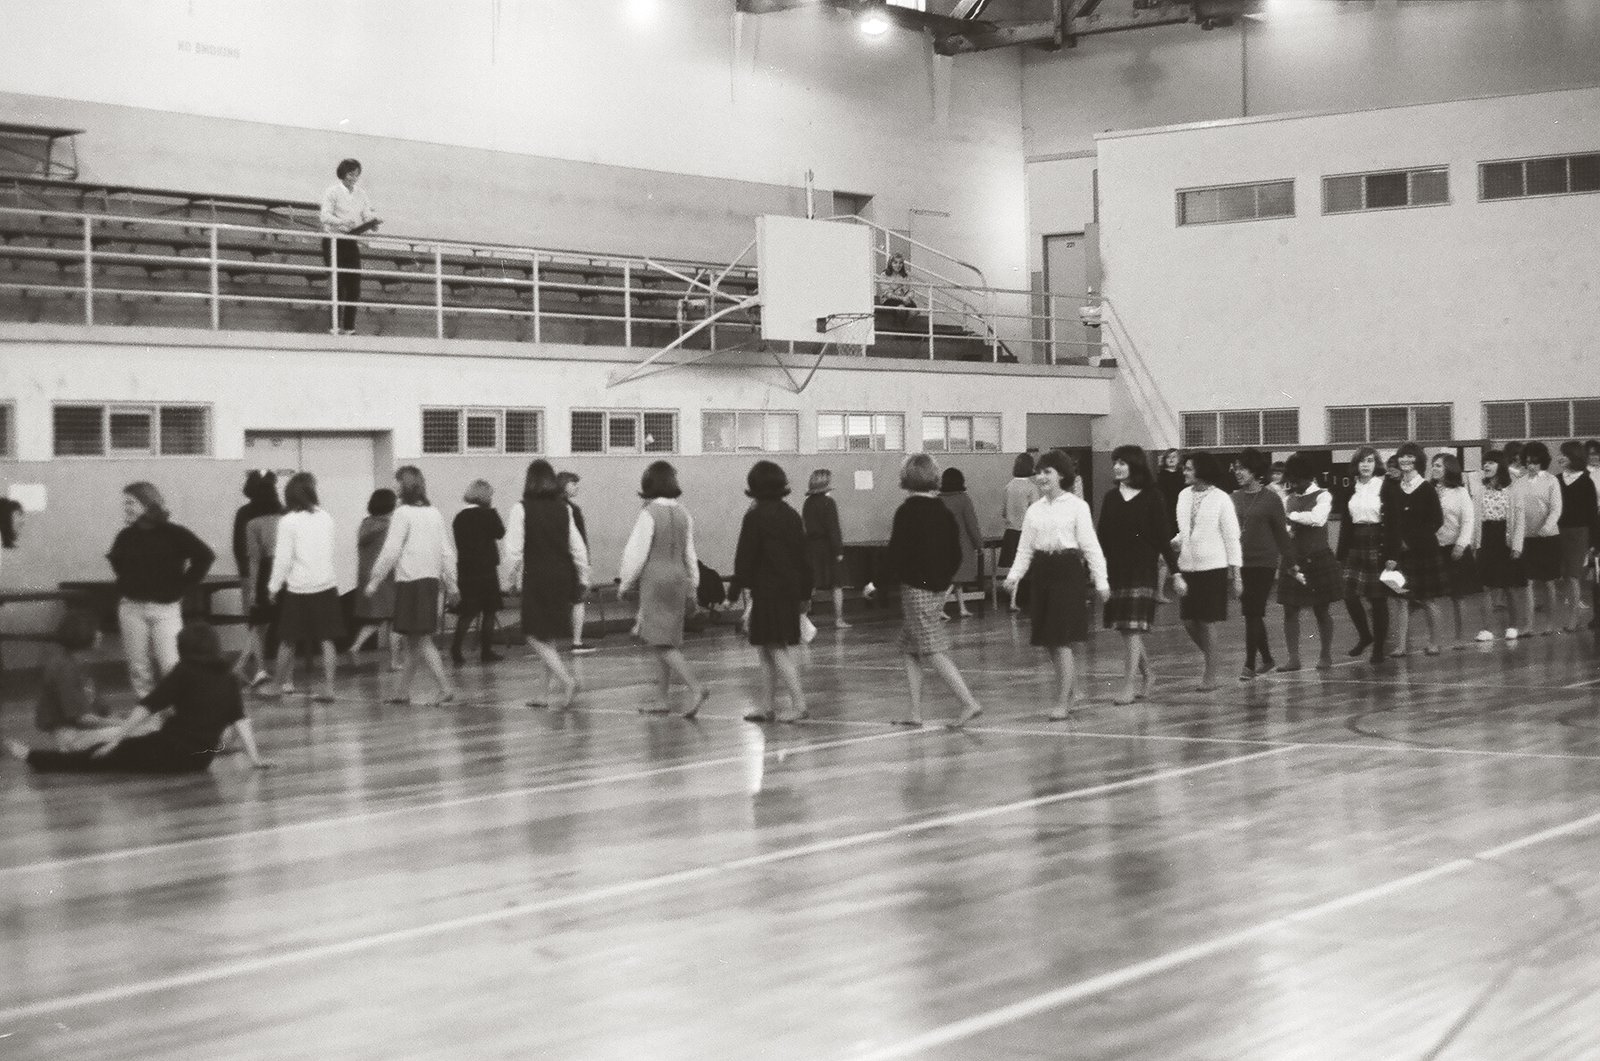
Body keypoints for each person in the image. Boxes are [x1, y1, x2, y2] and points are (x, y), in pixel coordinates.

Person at [8, 621, 272, 773]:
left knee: (98, 760)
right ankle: (225, 749)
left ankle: (33, 757)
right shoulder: (228, 677)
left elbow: (148, 705)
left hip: (168, 752)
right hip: (200, 761)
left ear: (184, 649)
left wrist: (117, 740)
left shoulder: (184, 671)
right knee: (149, 736)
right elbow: (240, 719)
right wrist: (256, 759)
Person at [1004, 449, 1109, 719]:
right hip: (1042, 573)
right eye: (1039, 472)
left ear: (1061, 475)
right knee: (1051, 641)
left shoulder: (1077, 506)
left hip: (1067, 573)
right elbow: (1024, 549)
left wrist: (1101, 581)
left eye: (1047, 472)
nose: (1041, 477)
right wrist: (1014, 576)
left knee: (1061, 640)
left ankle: (1063, 701)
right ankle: (1072, 691)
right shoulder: (1034, 510)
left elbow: (1091, 547)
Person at [884, 454, 985, 728]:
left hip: (916, 588)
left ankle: (968, 702)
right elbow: (955, 553)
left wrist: (877, 582)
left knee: (931, 649)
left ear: (906, 478)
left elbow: (896, 552)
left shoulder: (907, 511)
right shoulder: (943, 511)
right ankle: (915, 713)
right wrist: (942, 580)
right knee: (909, 649)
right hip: (938, 588)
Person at [617, 461, 709, 718]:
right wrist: (694, 583)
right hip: (679, 577)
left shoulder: (648, 513)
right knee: (666, 639)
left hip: (655, 580)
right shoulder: (684, 513)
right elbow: (690, 553)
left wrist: (625, 582)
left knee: (660, 643)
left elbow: (636, 554)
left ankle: (696, 687)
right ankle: (661, 698)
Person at [108, 482, 215, 701]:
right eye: (125, 503)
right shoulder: (125, 536)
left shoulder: (174, 533)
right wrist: (131, 583)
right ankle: (147, 708)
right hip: (132, 608)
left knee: (170, 663)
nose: (126, 508)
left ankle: (176, 707)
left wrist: (183, 586)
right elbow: (117, 562)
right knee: (138, 666)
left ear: (147, 503)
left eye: (130, 502)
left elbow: (205, 556)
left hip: (165, 609)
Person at [367, 466, 458, 706]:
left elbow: (391, 550)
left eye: (397, 482)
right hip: (430, 581)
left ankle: (445, 687)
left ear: (405, 485)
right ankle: (402, 691)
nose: (394, 486)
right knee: (414, 641)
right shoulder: (434, 513)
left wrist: (375, 579)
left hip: (411, 581)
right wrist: (452, 583)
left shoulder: (402, 513)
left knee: (421, 639)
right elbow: (446, 551)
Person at [732, 460, 812, 724]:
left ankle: (799, 704)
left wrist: (732, 594)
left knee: (775, 648)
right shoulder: (792, 515)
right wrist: (806, 594)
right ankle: (766, 706)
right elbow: (804, 558)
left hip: (767, 591)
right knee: (767, 648)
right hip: (790, 590)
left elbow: (744, 558)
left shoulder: (754, 517)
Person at [504, 460, 587, 709]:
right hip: (562, 576)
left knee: (531, 633)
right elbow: (578, 547)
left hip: (537, 576)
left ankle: (566, 680)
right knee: (547, 636)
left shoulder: (521, 509)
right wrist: (583, 577)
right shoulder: (564, 508)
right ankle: (543, 695)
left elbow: (513, 551)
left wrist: (510, 579)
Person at [1097, 445, 1176, 704]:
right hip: (1116, 569)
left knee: (1132, 629)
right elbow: (1102, 535)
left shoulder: (1153, 496)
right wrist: (1098, 569)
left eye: (1122, 462)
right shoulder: (1111, 497)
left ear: (1135, 465)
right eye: (1115, 462)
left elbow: (1163, 537)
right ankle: (1148, 673)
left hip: (1142, 570)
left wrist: (1176, 572)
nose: (1117, 467)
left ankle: (1128, 686)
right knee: (1126, 628)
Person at [267, 472, 343, 702]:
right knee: (327, 639)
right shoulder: (326, 517)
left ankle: (276, 686)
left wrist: (273, 586)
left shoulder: (288, 521)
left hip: (299, 587)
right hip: (326, 584)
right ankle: (330, 688)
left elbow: (283, 558)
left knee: (288, 639)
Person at [1172, 452, 1242, 692]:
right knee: (1188, 621)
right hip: (1187, 566)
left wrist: (1237, 575)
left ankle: (1210, 673)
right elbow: (1185, 529)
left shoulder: (1222, 498)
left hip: (1213, 568)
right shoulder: (1183, 495)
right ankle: (1215, 658)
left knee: (1206, 621)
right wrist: (1176, 541)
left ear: (1202, 471)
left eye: (1189, 468)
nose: (1184, 472)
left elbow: (1231, 537)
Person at [1277, 453, 1342, 671]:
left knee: (1321, 610)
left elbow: (1317, 519)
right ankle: (1293, 658)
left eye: (1298, 481)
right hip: (1293, 559)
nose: (1294, 485)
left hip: (1318, 558)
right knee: (1289, 610)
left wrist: (1291, 517)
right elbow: (1284, 528)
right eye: (1292, 481)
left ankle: (1326, 655)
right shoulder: (1288, 499)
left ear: (1309, 478)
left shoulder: (1323, 495)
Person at [1380, 443, 1446, 656]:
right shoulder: (1394, 488)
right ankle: (1401, 646)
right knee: (1401, 599)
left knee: (1427, 600)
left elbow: (1436, 520)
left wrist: (1411, 541)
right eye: (1402, 457)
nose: (1405, 460)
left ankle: (1434, 642)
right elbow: (1390, 522)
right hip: (1400, 554)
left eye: (1410, 456)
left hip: (1423, 552)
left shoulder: (1426, 488)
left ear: (1418, 460)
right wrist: (1392, 552)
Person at [1232, 448, 1291, 679]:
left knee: (1253, 611)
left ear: (1255, 470)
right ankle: (1266, 659)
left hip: (1264, 562)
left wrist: (1291, 561)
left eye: (1243, 468)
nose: (1238, 472)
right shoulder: (1233, 498)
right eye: (1236, 468)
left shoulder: (1271, 499)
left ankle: (1249, 664)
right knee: (1251, 613)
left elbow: (1281, 534)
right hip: (1240, 563)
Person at [24, 611, 118, 752]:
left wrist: (126, 721)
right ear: (82, 633)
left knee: (141, 727)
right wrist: (125, 724)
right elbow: (83, 718)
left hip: (84, 729)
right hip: (71, 735)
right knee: (136, 732)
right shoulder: (64, 668)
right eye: (95, 631)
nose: (100, 634)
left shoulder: (81, 663)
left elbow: (102, 709)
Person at [1430, 453, 1492, 644]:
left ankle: (1460, 638)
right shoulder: (1429, 490)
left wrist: (1461, 544)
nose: (1434, 468)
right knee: (1429, 596)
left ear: (1449, 469)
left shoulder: (1460, 492)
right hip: (1434, 548)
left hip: (1455, 549)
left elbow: (1468, 520)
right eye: (1433, 465)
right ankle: (1434, 640)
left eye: (1438, 465)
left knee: (1458, 596)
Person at [1337, 446, 1389, 664]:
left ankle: (1378, 648)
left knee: (1378, 599)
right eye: (1362, 461)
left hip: (1378, 542)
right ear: (1356, 465)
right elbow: (1346, 523)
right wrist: (1341, 554)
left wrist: (1392, 553)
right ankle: (1365, 635)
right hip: (1356, 543)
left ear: (1376, 464)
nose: (1365, 465)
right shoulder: (1351, 488)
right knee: (1349, 595)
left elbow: (1393, 521)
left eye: (1369, 461)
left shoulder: (1385, 486)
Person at [319, 158, 380, 335]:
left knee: (354, 284)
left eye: (356, 175)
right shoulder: (332, 192)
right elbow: (324, 216)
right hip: (333, 240)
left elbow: (367, 213)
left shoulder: (361, 193)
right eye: (351, 174)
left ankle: (349, 327)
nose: (354, 178)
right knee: (338, 284)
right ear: (343, 174)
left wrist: (372, 222)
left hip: (350, 240)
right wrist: (341, 222)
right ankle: (334, 326)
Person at [235, 474, 283, 688]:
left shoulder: (247, 516)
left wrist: (249, 581)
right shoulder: (283, 516)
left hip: (259, 571)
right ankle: (252, 666)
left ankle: (249, 666)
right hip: (280, 571)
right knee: (267, 623)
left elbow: (245, 552)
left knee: (258, 622)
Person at [450, 479, 505, 666]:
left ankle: (456, 648)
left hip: (466, 569)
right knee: (489, 611)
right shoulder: (488, 515)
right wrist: (493, 511)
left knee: (467, 613)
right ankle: (486, 651)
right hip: (487, 569)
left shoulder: (460, 517)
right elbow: (500, 532)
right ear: (484, 496)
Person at [1510, 441, 1562, 638]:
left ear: (1543, 462)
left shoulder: (1551, 481)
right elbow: (1517, 514)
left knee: (1548, 582)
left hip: (1548, 538)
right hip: (1527, 539)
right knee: (1528, 583)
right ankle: (1529, 626)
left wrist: (1546, 528)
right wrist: (1517, 542)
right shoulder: (1519, 483)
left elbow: (1556, 509)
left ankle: (1550, 624)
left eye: (1535, 462)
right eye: (1528, 462)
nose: (1531, 466)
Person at [348, 488, 403, 670]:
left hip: (367, 576)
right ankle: (395, 661)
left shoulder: (366, 524)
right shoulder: (390, 527)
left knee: (377, 618)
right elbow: (392, 553)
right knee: (396, 619)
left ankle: (356, 646)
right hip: (387, 576)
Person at [1475, 450, 1524, 639]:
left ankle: (1513, 626)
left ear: (1500, 466)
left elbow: (1519, 520)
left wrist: (1517, 546)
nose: (1486, 466)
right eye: (1485, 463)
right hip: (1486, 538)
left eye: (1491, 462)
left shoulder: (1512, 489)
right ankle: (1487, 629)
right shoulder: (1481, 489)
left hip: (1505, 538)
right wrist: (1474, 544)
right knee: (1486, 586)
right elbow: (1476, 518)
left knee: (1509, 586)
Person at [1555, 440, 1597, 633]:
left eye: (1565, 454)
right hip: (1559, 531)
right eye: (1561, 454)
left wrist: (1593, 541)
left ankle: (1574, 617)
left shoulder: (1586, 481)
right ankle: (1572, 613)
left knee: (1573, 575)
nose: (1561, 458)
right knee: (1565, 575)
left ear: (1574, 457)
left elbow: (1592, 514)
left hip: (1579, 532)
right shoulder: (1556, 479)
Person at [802, 469, 850, 630]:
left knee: (810, 585)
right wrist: (839, 551)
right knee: (837, 585)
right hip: (828, 547)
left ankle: (802, 619)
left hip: (811, 547)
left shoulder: (807, 503)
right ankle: (839, 619)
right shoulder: (829, 503)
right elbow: (833, 528)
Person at [939, 467, 984, 620]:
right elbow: (972, 524)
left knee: (955, 578)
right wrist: (979, 544)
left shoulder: (938, 499)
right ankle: (939, 607)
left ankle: (962, 608)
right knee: (958, 577)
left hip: (943, 545)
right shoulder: (963, 499)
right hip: (961, 545)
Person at [559, 471, 596, 655]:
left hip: (557, 561)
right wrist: (585, 564)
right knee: (578, 599)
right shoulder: (571, 509)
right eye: (573, 484)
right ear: (563, 485)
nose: (576, 487)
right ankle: (576, 641)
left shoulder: (551, 507)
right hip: (570, 561)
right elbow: (579, 539)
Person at [999, 452, 1040, 612]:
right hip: (1026, 533)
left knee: (1014, 568)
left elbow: (1004, 512)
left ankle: (1013, 600)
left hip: (1010, 532)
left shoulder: (1008, 487)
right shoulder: (1031, 487)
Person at [1155, 448, 1185, 601]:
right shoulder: (1161, 477)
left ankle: (1181, 586)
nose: (1172, 459)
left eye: (1174, 457)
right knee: (1164, 557)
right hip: (1166, 519)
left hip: (1180, 519)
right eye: (1169, 457)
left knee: (1179, 554)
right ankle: (1159, 592)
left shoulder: (1183, 476)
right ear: (1165, 460)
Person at [877, 252, 915, 331]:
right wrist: (902, 298)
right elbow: (887, 294)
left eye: (900, 263)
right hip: (890, 299)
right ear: (890, 263)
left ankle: (903, 328)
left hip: (904, 298)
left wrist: (908, 297)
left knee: (915, 312)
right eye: (895, 262)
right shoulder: (884, 275)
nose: (898, 265)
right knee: (901, 308)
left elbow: (911, 290)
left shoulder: (906, 275)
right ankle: (901, 330)